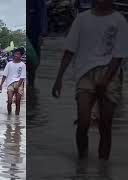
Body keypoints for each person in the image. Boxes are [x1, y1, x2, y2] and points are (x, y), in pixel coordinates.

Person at [52, 0, 128, 160]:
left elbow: (119, 55)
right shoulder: (81, 19)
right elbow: (69, 50)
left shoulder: (119, 21)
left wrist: (105, 80)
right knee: (83, 122)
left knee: (105, 125)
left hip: (111, 72)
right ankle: (82, 165)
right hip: (84, 74)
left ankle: (102, 167)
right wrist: (58, 78)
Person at [0, 48, 26, 116]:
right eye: (15, 53)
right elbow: (4, 75)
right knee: (10, 101)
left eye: (18, 54)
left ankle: (17, 118)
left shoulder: (23, 65)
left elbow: (22, 77)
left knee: (18, 101)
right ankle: (9, 116)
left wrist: (18, 86)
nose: (16, 55)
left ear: (21, 55)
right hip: (10, 84)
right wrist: (1, 85)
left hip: (19, 83)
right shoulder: (9, 64)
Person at [26, 0, 48, 87]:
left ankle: (32, 80)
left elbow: (43, 13)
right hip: (27, 30)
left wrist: (43, 32)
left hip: (35, 30)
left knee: (35, 58)